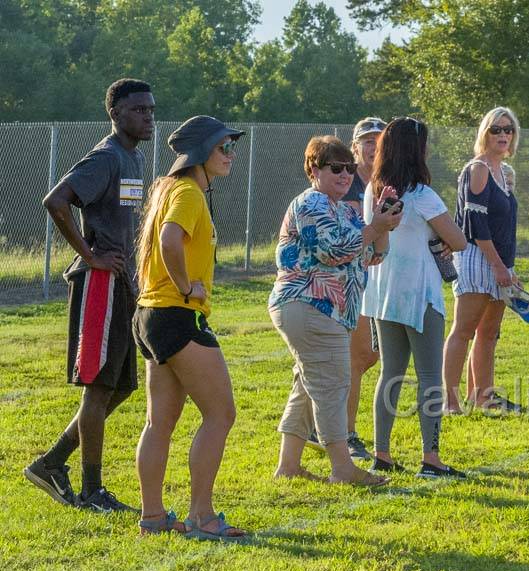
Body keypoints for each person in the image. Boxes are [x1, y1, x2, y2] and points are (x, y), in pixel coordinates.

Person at [25, 79, 155, 513]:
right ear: (115, 114)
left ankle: (53, 462)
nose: (148, 116)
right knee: (98, 388)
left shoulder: (132, 157)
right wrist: (92, 256)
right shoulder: (106, 156)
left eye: (151, 109)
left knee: (120, 386)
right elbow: (56, 201)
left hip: (121, 286)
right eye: (139, 110)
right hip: (98, 283)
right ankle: (91, 489)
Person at [132, 116, 247, 540]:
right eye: (224, 148)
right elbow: (168, 239)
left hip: (150, 315)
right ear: (202, 152)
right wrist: (187, 286)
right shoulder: (188, 192)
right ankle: (202, 516)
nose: (230, 155)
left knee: (158, 422)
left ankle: (154, 517)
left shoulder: (169, 188)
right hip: (177, 314)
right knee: (220, 414)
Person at [269, 135, 401, 486]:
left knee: (308, 384)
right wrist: (374, 228)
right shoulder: (311, 203)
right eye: (335, 168)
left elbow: (373, 256)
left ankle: (289, 465)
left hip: (326, 311)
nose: (345, 175)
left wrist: (383, 222)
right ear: (314, 169)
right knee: (332, 384)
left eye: (348, 168)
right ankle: (342, 467)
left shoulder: (343, 209)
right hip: (309, 304)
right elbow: (335, 250)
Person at [362, 117, 469, 478]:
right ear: (416, 150)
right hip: (419, 293)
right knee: (429, 377)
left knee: (390, 372)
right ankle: (431, 457)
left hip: (382, 292)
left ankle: (382, 453)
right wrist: (436, 241)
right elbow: (458, 241)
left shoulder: (372, 191)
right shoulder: (422, 195)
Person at [443, 107, 523, 414]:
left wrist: (509, 268)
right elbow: (476, 225)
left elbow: (505, 226)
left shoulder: (505, 173)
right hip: (478, 259)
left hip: (501, 262)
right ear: (484, 134)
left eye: (508, 129)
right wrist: (498, 266)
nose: (503, 135)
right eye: (496, 130)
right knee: (464, 329)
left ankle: (483, 396)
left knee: (489, 332)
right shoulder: (477, 169)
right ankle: (449, 401)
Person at [341, 116, 387, 460]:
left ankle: (325, 421)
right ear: (355, 147)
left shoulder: (386, 183)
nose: (374, 147)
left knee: (369, 355)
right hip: (346, 281)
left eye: (380, 140)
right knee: (357, 357)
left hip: (377, 281)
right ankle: (346, 432)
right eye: (367, 141)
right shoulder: (345, 181)